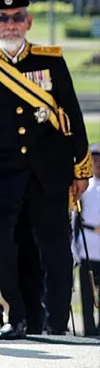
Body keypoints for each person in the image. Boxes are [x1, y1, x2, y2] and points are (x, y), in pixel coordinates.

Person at [0, 0, 91, 339]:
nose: (10, 25)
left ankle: (57, 321)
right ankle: (13, 317)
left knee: (56, 252)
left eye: (17, 18)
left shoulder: (50, 60)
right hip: (1, 174)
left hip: (49, 173)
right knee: (3, 249)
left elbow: (73, 117)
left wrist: (81, 169)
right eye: (2, 19)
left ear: (29, 21)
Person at [73, 144, 100, 336]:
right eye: (95, 160)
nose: (98, 164)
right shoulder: (85, 188)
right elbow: (75, 220)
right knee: (87, 294)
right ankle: (89, 330)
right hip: (87, 247)